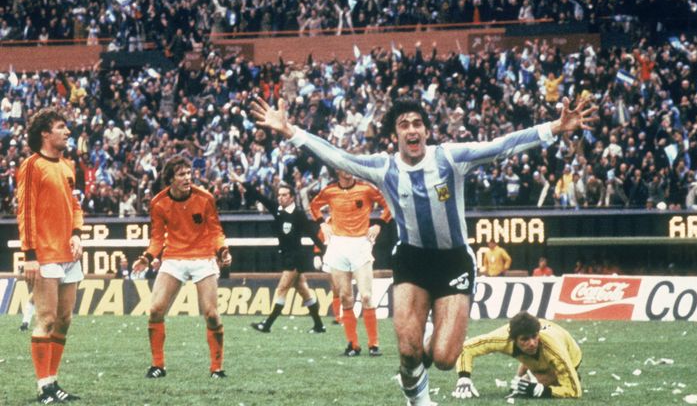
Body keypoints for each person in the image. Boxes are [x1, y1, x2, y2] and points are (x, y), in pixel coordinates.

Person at [251, 95, 596, 405]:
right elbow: (335, 154)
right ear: (396, 135)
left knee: (445, 358)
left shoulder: (450, 158)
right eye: (404, 125)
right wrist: (290, 131)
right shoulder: (383, 167)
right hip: (412, 260)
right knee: (407, 349)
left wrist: (556, 127)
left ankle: (427, 341)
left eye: (417, 123)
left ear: (427, 131)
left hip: (454, 261)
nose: (411, 130)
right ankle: (419, 400)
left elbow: (502, 145)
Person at [132, 155, 231, 379]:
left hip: (203, 256)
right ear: (170, 179)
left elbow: (216, 231)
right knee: (156, 309)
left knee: (212, 315)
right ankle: (158, 365)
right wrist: (147, 258)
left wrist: (222, 250)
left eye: (189, 173)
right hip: (174, 258)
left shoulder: (205, 198)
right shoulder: (158, 203)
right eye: (181, 174)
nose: (187, 178)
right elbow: (157, 238)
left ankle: (217, 368)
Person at [16, 107, 84, 403]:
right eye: (60, 126)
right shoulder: (32, 165)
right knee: (45, 317)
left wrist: (77, 233)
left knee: (64, 319)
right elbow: (25, 211)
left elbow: (75, 205)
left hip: (68, 254)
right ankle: (43, 386)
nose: (67, 131)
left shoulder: (67, 166)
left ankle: (53, 381)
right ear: (45, 133)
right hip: (43, 253)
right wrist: (29, 253)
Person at [309, 169, 392, 357]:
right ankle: (353, 344)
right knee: (345, 296)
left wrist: (379, 224)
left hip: (360, 244)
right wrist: (322, 223)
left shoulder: (366, 189)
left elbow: (388, 205)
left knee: (366, 296)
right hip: (338, 245)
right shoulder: (330, 191)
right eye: (343, 168)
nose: (348, 172)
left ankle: (374, 343)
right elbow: (313, 206)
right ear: (337, 171)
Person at [452, 311, 582, 400]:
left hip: (570, 355)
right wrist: (464, 377)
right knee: (522, 387)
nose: (532, 343)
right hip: (533, 357)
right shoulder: (502, 338)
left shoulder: (554, 350)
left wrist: (544, 391)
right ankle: (533, 372)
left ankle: (566, 375)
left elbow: (574, 391)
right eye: (525, 339)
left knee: (529, 387)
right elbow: (466, 348)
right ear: (513, 339)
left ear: (538, 333)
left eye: (534, 336)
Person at [251, 183, 327, 334]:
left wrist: (324, 250)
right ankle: (319, 325)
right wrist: (243, 183)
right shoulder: (278, 211)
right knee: (304, 291)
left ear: (292, 197)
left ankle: (267, 324)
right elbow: (261, 198)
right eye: (279, 195)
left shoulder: (298, 215)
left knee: (282, 289)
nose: (281, 198)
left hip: (295, 259)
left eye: (284, 195)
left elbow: (312, 234)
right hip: (286, 257)